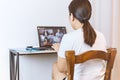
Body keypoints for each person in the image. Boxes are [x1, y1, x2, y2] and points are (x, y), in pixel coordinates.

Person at [52, 0, 107, 80]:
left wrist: (59, 51)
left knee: (55, 67)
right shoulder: (101, 36)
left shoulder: (68, 37)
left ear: (72, 16)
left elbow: (62, 68)